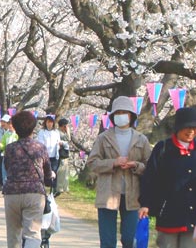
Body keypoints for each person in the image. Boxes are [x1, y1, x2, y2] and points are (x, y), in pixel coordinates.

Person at [86, 96, 152, 248]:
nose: (121, 116)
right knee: (108, 241)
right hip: (107, 193)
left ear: (131, 116)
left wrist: (135, 165)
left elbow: (148, 167)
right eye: (118, 112)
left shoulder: (141, 139)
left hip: (133, 195)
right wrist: (113, 163)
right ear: (113, 116)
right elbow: (92, 163)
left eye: (125, 112)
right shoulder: (103, 138)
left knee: (130, 239)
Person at [139, 106, 196, 248]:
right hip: (168, 212)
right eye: (187, 127)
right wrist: (145, 203)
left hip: (192, 215)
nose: (190, 131)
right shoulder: (163, 148)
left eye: (194, 128)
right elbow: (150, 177)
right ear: (178, 128)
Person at [3, 110, 53, 248]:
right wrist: (49, 180)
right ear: (33, 127)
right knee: (32, 233)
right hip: (34, 193)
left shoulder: (10, 148)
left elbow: (7, 167)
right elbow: (47, 172)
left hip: (12, 193)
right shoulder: (40, 148)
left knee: (13, 233)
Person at [36, 114, 61, 195]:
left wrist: (59, 145)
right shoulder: (42, 132)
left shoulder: (56, 132)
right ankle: (42, 187)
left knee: (54, 171)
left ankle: (53, 189)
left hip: (54, 155)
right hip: (45, 156)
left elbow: (58, 141)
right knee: (43, 171)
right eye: (47, 122)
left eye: (51, 122)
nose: (49, 124)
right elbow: (40, 143)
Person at [56, 118, 71, 196]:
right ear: (63, 126)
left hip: (65, 154)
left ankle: (65, 187)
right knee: (61, 171)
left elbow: (68, 140)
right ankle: (60, 188)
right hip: (61, 154)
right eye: (66, 126)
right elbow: (68, 140)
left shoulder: (63, 132)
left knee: (65, 171)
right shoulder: (58, 133)